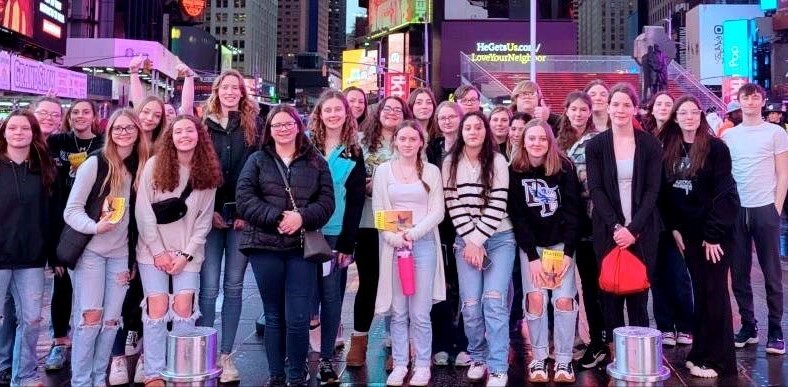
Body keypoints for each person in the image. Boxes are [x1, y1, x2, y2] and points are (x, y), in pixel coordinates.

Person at [236, 105, 335, 386]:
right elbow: (244, 198)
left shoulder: (315, 161)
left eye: (288, 124)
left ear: (297, 126)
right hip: (264, 245)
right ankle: (277, 374)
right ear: (269, 130)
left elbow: (327, 203)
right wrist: (277, 218)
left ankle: (296, 374)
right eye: (276, 125)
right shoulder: (257, 160)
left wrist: (301, 217)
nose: (283, 129)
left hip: (301, 247)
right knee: (273, 313)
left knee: (298, 314)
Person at [64, 108, 150, 387]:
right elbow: (72, 210)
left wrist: (134, 259)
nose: (123, 133)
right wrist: (94, 227)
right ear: (109, 132)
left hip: (120, 255)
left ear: (138, 132)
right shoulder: (96, 163)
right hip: (90, 251)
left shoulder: (141, 166)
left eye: (129, 128)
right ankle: (80, 381)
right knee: (90, 319)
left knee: (112, 321)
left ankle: (99, 378)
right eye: (117, 128)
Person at [134, 115, 221, 386]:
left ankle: (182, 367)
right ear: (171, 137)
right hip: (152, 250)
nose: (184, 135)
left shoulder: (207, 172)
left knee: (184, 307)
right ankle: (154, 372)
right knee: (157, 307)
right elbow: (143, 211)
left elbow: (204, 220)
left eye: (190, 131)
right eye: (179, 131)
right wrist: (159, 251)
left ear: (200, 136)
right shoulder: (154, 165)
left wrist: (186, 255)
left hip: (188, 252)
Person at [659, 96, 740, 378]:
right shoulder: (668, 149)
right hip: (688, 236)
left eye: (694, 112)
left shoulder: (716, 148)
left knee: (715, 293)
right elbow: (665, 195)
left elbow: (725, 194)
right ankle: (701, 353)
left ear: (701, 117)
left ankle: (721, 361)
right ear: (676, 118)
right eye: (684, 112)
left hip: (714, 237)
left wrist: (713, 235)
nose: (690, 117)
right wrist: (675, 229)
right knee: (702, 294)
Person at [197, 69, 265, 382]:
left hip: (242, 217)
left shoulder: (253, 125)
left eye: (235, 88)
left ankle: (225, 355)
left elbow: (258, 172)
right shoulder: (202, 125)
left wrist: (245, 211)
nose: (229, 92)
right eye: (224, 87)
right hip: (208, 216)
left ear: (241, 92)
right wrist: (207, 210)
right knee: (208, 287)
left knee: (234, 286)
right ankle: (205, 352)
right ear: (216, 91)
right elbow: (196, 171)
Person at [586, 83, 663, 351]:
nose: (620, 109)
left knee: (639, 296)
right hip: (608, 231)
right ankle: (617, 357)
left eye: (626, 104)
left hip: (643, 230)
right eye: (615, 104)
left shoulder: (650, 144)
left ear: (635, 108)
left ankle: (639, 357)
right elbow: (595, 189)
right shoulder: (596, 145)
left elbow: (654, 189)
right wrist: (617, 227)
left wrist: (633, 228)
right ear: (607, 107)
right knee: (610, 295)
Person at [443, 111, 515, 387]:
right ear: (461, 132)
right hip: (465, 240)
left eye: (478, 127)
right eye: (468, 128)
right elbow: (453, 205)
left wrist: (478, 240)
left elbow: (498, 204)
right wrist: (471, 240)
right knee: (471, 306)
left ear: (486, 131)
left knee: (493, 301)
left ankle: (497, 366)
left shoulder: (497, 161)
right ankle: (477, 356)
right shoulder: (450, 162)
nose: (473, 132)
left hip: (499, 239)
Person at [509, 119, 582, 383]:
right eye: (532, 138)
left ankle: (563, 360)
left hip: (561, 246)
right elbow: (518, 218)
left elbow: (574, 213)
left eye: (542, 138)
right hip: (533, 248)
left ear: (550, 141)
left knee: (563, 300)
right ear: (523, 141)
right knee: (536, 299)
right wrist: (531, 257)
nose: (537, 143)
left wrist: (567, 253)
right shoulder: (514, 171)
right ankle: (539, 357)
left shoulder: (564, 168)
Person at [373, 121, 445, 387]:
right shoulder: (383, 171)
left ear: (420, 142)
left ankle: (423, 364)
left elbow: (437, 211)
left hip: (423, 244)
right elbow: (381, 210)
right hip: (393, 246)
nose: (407, 143)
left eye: (412, 139)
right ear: (396, 142)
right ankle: (401, 363)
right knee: (399, 310)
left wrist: (412, 234)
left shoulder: (431, 171)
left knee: (420, 311)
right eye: (402, 139)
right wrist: (394, 237)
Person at [0, 96, 64, 383]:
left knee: (31, 321)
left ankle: (23, 376)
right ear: (4, 133)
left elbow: (52, 215)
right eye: (12, 128)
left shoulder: (45, 168)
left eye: (25, 129)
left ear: (33, 133)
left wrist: (54, 254)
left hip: (32, 260)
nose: (18, 133)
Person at [347, 96, 413, 368]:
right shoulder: (361, 141)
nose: (392, 113)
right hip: (367, 219)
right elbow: (351, 179)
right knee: (369, 281)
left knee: (398, 281)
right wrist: (367, 185)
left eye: (398, 109)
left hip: (398, 219)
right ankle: (359, 341)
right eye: (388, 108)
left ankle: (396, 345)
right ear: (379, 112)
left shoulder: (410, 140)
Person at [722, 83, 787, 355]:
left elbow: (783, 173)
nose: (750, 102)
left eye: (755, 97)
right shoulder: (729, 136)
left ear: (762, 101)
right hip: (737, 209)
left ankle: (775, 328)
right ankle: (749, 325)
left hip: (764, 208)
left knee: (772, 273)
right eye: (745, 97)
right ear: (739, 102)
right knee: (738, 273)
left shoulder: (775, 133)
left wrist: (776, 207)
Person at [306, 91, 366, 384]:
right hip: (304, 231)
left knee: (331, 297)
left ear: (346, 114)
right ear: (319, 114)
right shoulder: (305, 144)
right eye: (327, 109)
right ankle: (301, 354)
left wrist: (347, 243)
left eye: (337, 110)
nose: (332, 114)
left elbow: (356, 201)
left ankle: (328, 358)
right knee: (302, 297)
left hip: (334, 235)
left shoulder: (353, 151)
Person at [43, 99, 105, 373]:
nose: (80, 116)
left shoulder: (104, 143)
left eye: (85, 112)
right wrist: (45, 110)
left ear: (94, 116)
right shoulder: (58, 142)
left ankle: (92, 343)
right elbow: (36, 139)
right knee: (62, 285)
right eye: (75, 112)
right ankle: (60, 341)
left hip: (95, 222)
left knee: (94, 289)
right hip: (62, 222)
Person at [555, 91, 609, 368]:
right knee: (563, 284)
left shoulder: (598, 140)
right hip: (562, 221)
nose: (578, 114)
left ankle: (600, 341)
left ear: (590, 112)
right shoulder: (557, 140)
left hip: (590, 220)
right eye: (573, 109)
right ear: (566, 111)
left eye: (583, 110)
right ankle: (571, 339)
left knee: (592, 284)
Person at [425, 101, 471, 367]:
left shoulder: (471, 147)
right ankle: (441, 343)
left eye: (452, 116)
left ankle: (464, 343)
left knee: (466, 288)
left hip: (466, 225)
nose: (447, 121)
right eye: (442, 117)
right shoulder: (432, 149)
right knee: (440, 288)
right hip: (438, 227)